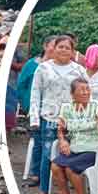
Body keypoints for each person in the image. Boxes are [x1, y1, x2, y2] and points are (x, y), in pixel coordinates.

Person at [28, 35, 88, 194]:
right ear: (53, 49)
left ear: (72, 51)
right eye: (59, 47)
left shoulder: (78, 70)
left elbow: (86, 94)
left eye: (67, 48)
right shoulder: (43, 68)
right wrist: (34, 118)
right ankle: (44, 192)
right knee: (48, 156)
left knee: (72, 156)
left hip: (73, 121)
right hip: (49, 118)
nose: (63, 50)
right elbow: (35, 93)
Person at [49, 78, 98, 194]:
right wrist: (62, 141)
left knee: (71, 168)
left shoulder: (97, 106)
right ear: (72, 94)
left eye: (87, 89)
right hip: (75, 148)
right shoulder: (67, 108)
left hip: (95, 150)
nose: (86, 92)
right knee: (55, 166)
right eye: (81, 90)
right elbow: (60, 129)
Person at [18, 35, 57, 185]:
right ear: (45, 46)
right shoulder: (32, 65)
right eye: (53, 45)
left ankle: (47, 176)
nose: (55, 48)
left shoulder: (57, 66)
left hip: (51, 111)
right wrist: (26, 104)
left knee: (48, 143)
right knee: (38, 142)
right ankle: (36, 173)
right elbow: (21, 85)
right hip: (35, 108)